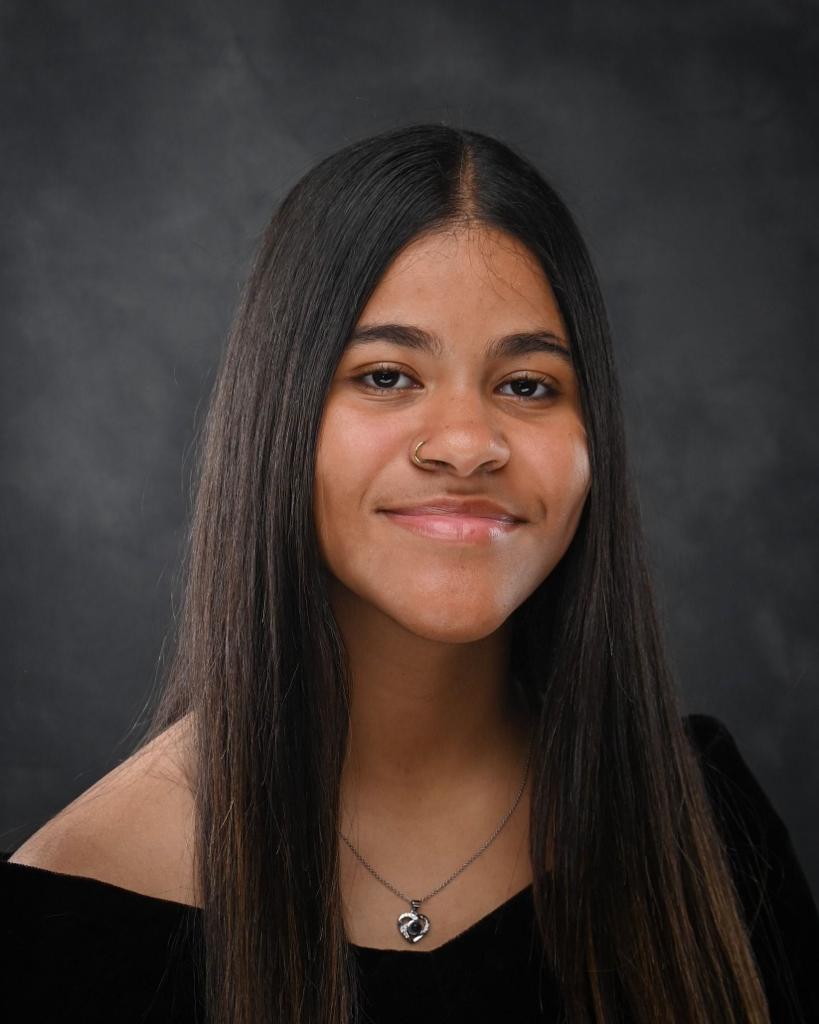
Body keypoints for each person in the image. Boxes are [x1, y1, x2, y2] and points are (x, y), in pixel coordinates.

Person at [2, 123, 817, 1024]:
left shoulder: (706, 822)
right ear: (278, 417)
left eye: (528, 385)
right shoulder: (64, 914)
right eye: (387, 376)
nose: (467, 444)